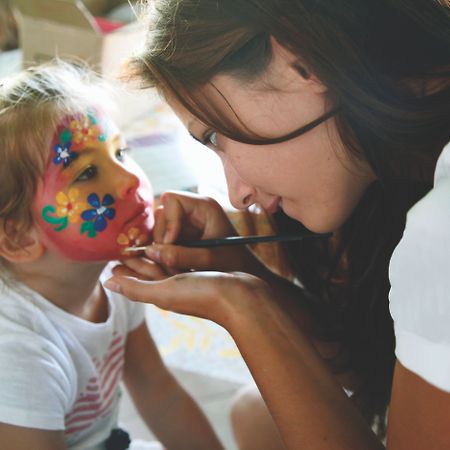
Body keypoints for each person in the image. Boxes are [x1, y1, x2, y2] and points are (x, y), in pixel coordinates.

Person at [104, 0, 450, 449]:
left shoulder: (439, 233)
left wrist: (246, 309)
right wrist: (249, 275)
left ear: (297, 63)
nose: (236, 194)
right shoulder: (401, 170)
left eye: (214, 135)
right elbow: (384, 366)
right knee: (253, 413)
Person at [0, 61, 225, 450]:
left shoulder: (116, 280)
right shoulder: (17, 354)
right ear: (19, 237)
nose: (131, 179)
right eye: (87, 173)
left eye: (120, 152)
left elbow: (159, 392)